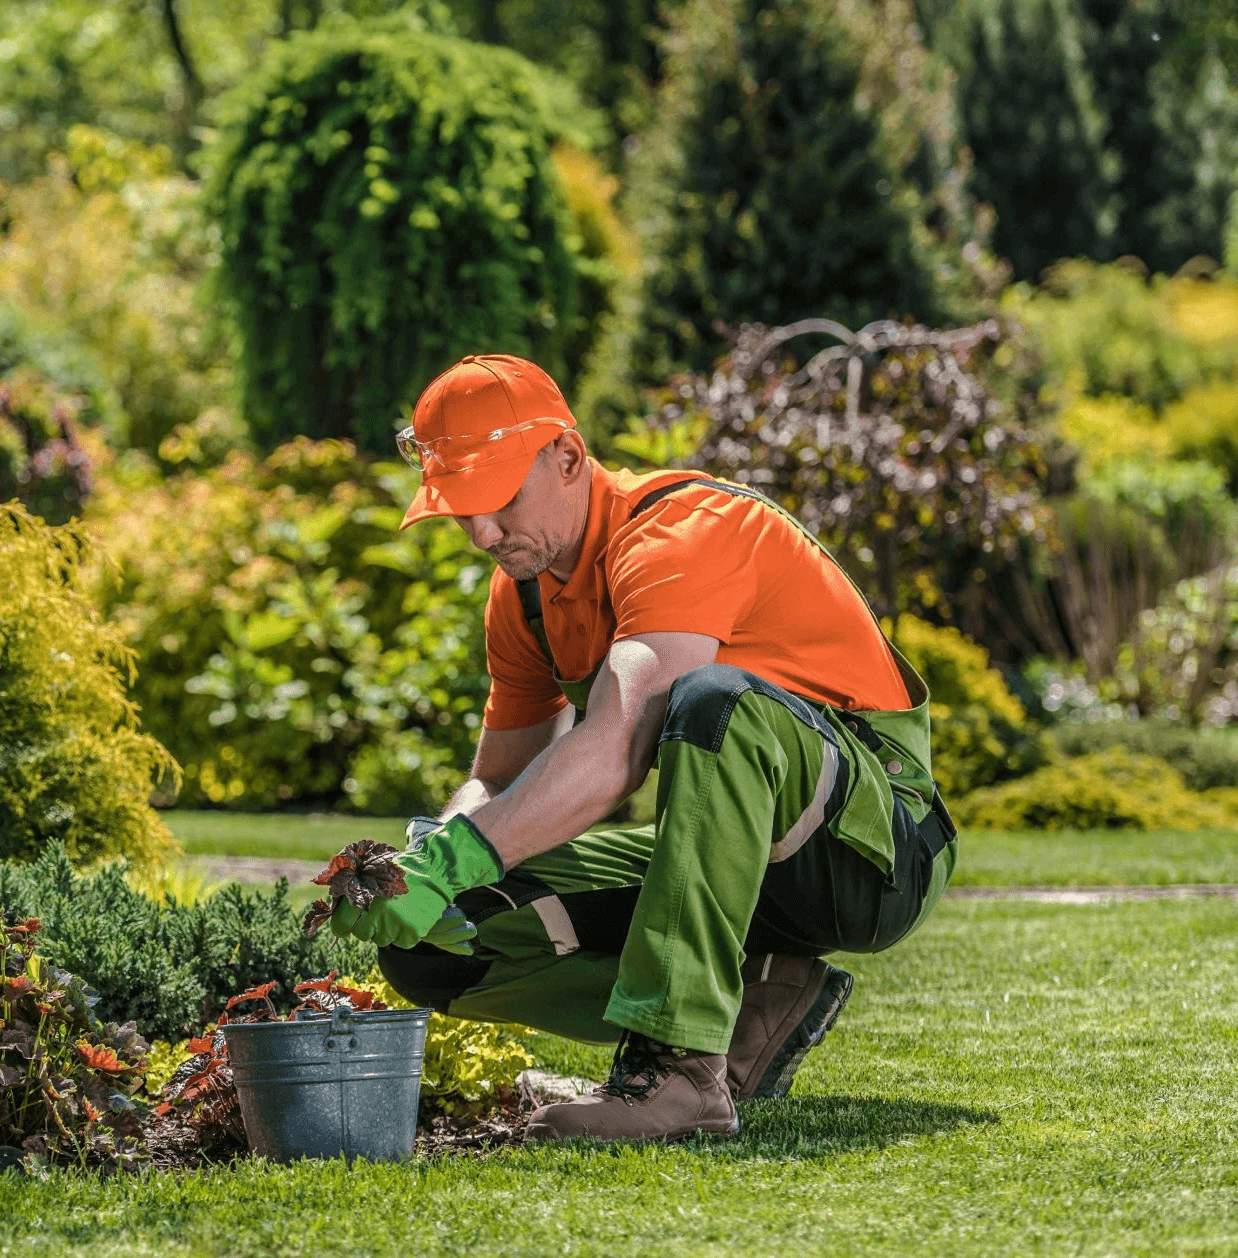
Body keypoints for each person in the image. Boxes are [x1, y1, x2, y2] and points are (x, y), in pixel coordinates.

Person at [339, 354, 956, 1141]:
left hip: (874, 850)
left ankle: (679, 1070)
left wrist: (457, 856)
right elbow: (495, 782)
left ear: (566, 456)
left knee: (710, 702)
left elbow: (617, 748)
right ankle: (761, 1004)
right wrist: (419, 865)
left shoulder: (678, 533)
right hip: (727, 854)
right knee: (437, 947)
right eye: (458, 510)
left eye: (497, 501)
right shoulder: (521, 596)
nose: (481, 533)